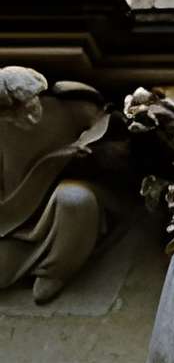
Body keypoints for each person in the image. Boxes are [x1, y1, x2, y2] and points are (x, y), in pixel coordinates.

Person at [0, 67, 124, 303]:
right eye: (12, 115)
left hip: (62, 199)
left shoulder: (68, 102)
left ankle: (54, 268)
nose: (26, 119)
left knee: (74, 200)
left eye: (29, 107)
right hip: (18, 215)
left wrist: (84, 144)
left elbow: (103, 122)